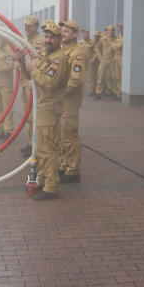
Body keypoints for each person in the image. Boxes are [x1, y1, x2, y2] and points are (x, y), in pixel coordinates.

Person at [22, 20, 70, 200]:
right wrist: (22, 61)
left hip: (49, 108)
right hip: (41, 107)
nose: (48, 40)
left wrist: (34, 70)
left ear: (59, 39)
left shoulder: (59, 58)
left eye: (52, 37)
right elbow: (32, 76)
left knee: (47, 149)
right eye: (46, 36)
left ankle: (51, 186)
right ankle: (42, 180)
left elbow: (49, 83)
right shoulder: (45, 55)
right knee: (41, 147)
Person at [58, 20, 86, 183]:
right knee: (61, 137)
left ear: (75, 34)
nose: (62, 34)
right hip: (60, 103)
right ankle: (64, 164)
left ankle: (73, 170)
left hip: (69, 103)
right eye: (62, 31)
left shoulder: (77, 54)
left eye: (66, 31)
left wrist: (55, 91)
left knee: (69, 137)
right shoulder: (62, 51)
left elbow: (76, 80)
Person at [19, 16, 44, 156]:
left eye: (29, 26)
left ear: (36, 27)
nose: (26, 28)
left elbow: (38, 63)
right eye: (25, 26)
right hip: (25, 82)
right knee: (28, 116)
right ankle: (30, 143)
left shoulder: (38, 43)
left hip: (32, 83)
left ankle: (35, 145)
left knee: (34, 116)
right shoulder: (27, 41)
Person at [95, 24, 120, 100]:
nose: (112, 32)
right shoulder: (103, 39)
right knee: (101, 77)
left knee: (114, 77)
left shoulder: (116, 39)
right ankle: (98, 93)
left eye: (113, 30)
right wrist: (100, 57)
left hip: (112, 60)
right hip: (104, 60)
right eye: (111, 30)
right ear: (107, 31)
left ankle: (115, 92)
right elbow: (97, 48)